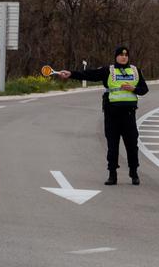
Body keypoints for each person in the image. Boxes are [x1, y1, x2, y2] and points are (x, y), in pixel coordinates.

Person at [52, 46, 150, 185]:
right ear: (116, 56)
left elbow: (144, 89)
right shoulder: (107, 71)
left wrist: (134, 89)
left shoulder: (135, 70)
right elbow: (89, 75)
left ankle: (134, 172)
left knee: (132, 145)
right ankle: (112, 175)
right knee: (112, 145)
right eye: (121, 55)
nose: (124, 57)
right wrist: (71, 74)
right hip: (112, 114)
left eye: (126, 55)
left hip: (129, 114)